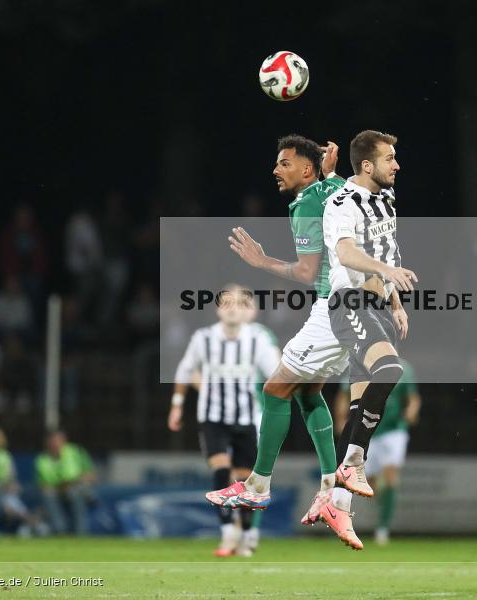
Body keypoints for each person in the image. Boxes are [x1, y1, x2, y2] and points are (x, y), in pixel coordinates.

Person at [206, 137, 351, 542]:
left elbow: (306, 273)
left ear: (306, 170)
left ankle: (257, 487)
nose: (276, 169)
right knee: (307, 394)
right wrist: (330, 173)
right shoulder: (335, 188)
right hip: (354, 308)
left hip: (333, 308)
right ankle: (331, 491)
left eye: (284, 163)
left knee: (274, 389)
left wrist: (261, 260)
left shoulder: (306, 203)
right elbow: (346, 197)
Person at [321, 130, 416, 549]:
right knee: (390, 370)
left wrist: (394, 300)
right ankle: (354, 463)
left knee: (360, 404)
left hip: (377, 305)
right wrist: (386, 272)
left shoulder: (385, 199)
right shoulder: (341, 202)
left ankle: (335, 501)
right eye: (390, 158)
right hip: (349, 303)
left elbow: (388, 250)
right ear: (366, 165)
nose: (396, 165)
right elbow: (345, 254)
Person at [168, 285, 281, 557]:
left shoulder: (258, 339)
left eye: (239, 303)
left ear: (248, 310)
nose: (232, 307)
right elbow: (185, 370)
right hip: (213, 417)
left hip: (247, 417)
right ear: (218, 308)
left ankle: (247, 532)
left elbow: (277, 373)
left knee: (245, 480)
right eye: (226, 302)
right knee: (220, 468)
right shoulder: (203, 338)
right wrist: (177, 406)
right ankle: (228, 532)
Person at [333, 358, 420, 545]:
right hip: (366, 433)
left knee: (390, 476)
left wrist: (411, 412)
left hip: (393, 430)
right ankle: (383, 503)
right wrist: (341, 419)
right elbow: (343, 394)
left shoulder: (404, 368)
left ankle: (383, 528)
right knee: (370, 484)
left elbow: (413, 398)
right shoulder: (358, 365)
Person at [35, 430, 96, 534]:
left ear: (64, 441)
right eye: (52, 441)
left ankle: (81, 531)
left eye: (57, 441)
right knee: (48, 494)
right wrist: (62, 486)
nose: (55, 444)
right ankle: (59, 529)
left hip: (80, 489)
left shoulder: (76, 452)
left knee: (74, 492)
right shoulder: (42, 459)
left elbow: (91, 476)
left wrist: (74, 481)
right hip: (57, 491)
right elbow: (42, 485)